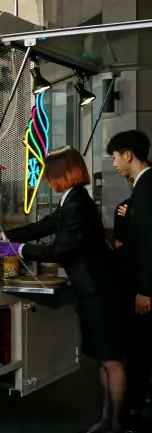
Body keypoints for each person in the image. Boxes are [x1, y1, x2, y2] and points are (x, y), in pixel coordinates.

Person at [5, 146, 125, 433]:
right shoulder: (72, 199)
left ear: (62, 174)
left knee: (111, 360)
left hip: (100, 292)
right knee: (102, 359)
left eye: (49, 174)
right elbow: (46, 225)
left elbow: (61, 250)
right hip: (92, 290)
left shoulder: (78, 204)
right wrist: (5, 235)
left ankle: (118, 422)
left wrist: (20, 249)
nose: (47, 180)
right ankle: (107, 419)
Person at [107, 130, 152, 432]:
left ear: (128, 155)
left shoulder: (147, 188)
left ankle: (134, 415)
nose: (114, 164)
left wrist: (145, 290)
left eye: (114, 157)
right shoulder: (141, 188)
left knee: (139, 352)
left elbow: (148, 243)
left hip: (143, 288)